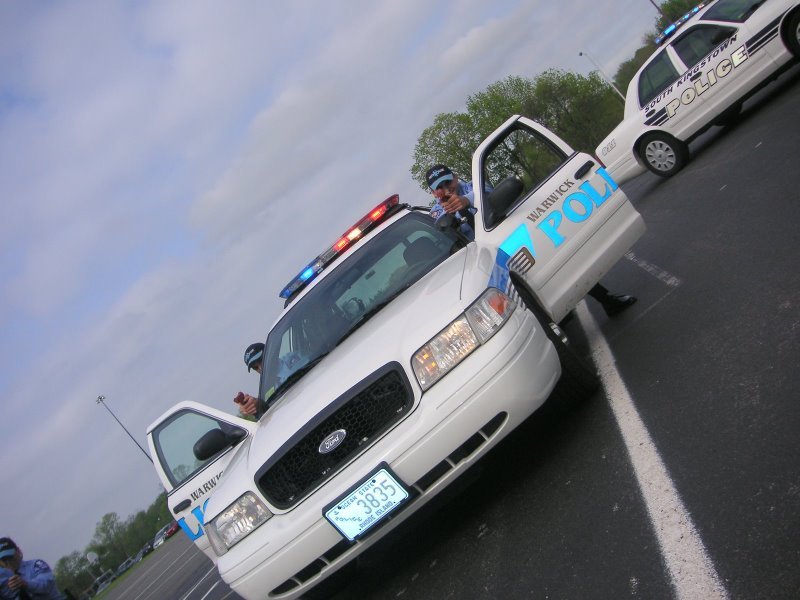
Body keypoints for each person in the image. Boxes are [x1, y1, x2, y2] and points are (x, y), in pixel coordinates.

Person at [425, 164, 636, 317]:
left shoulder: (475, 186)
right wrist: (450, 214)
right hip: (486, 262)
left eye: (447, 181)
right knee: (520, 302)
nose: (446, 188)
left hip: (512, 242)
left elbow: (489, 195)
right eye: (439, 187)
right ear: (433, 192)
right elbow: (443, 233)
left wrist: (466, 201)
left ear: (455, 177)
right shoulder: (436, 212)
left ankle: (606, 300)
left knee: (557, 266)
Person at [0, 537, 65, 600]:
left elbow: (45, 586)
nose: (8, 561)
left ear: (18, 551)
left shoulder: (36, 564)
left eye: (10, 556)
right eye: (4, 559)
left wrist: (25, 583)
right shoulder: (3, 578)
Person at [234, 342, 264, 418]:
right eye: (255, 367)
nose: (260, 368)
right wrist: (255, 406)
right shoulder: (264, 391)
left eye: (261, 360)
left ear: (270, 352)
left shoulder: (292, 361)